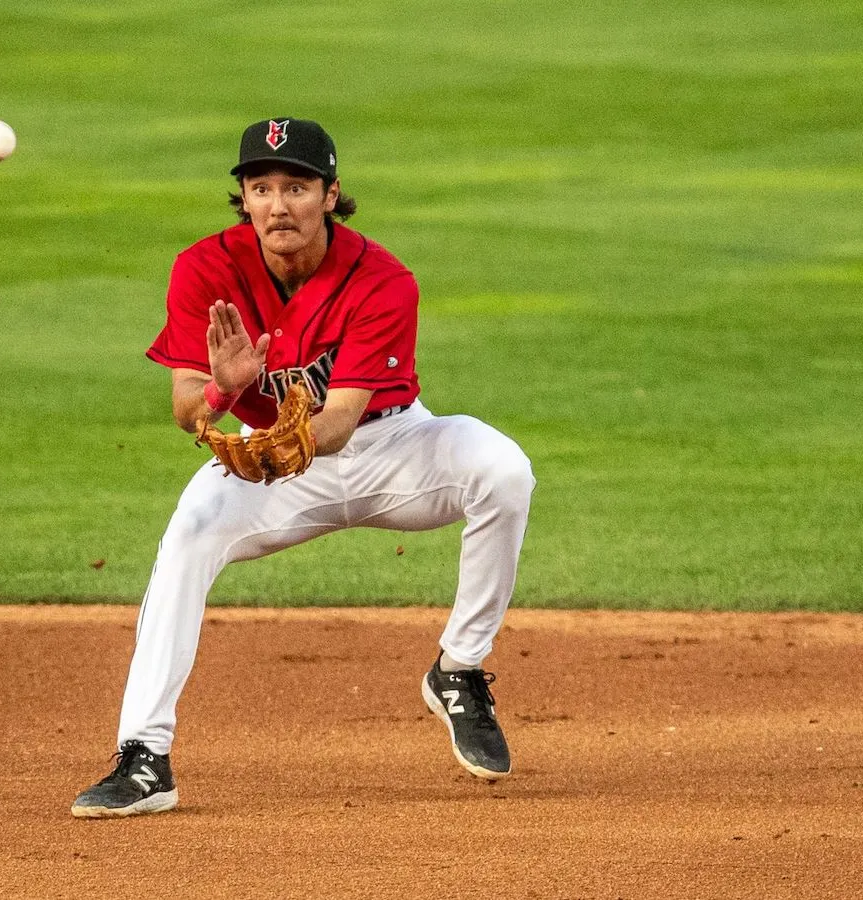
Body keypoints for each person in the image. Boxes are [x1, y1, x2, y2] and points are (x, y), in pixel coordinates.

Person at [71, 118, 536, 818]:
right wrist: (225, 393)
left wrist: (272, 449)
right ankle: (144, 758)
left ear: (330, 194)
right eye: (261, 188)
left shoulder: (382, 279)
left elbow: (344, 418)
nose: (278, 204)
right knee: (191, 532)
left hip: (391, 449)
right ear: (245, 200)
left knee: (503, 469)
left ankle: (459, 669)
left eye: (296, 186)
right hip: (272, 461)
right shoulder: (204, 268)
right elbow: (187, 408)